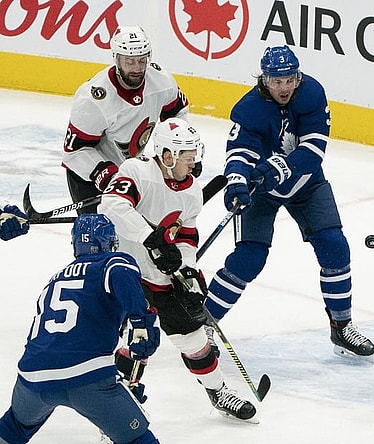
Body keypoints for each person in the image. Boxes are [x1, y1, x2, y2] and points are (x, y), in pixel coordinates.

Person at [204, 45, 374, 360]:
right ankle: (203, 326)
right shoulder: (249, 108)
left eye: (289, 79)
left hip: (306, 185)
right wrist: (238, 183)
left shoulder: (312, 94)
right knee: (249, 258)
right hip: (262, 190)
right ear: (264, 79)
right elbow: (239, 153)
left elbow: (313, 151)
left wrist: (280, 167)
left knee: (335, 246)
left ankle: (341, 326)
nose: (284, 87)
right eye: (276, 80)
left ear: (297, 77)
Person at [97, 117, 257, 421]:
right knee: (137, 342)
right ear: (167, 155)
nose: (193, 163)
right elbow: (111, 205)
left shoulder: (192, 190)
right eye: (187, 157)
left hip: (162, 279)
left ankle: (218, 392)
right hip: (125, 273)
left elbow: (186, 235)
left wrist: (188, 270)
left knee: (194, 339)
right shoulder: (136, 170)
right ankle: (118, 412)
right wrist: (151, 240)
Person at [0, 214, 161, 444]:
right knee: (137, 439)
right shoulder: (111, 263)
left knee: (14, 428)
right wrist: (141, 322)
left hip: (31, 378)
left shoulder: (55, 279)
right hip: (88, 377)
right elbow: (121, 274)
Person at [62, 25, 191, 215]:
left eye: (142, 60)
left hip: (131, 170)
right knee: (97, 238)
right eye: (129, 62)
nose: (137, 68)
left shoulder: (161, 80)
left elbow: (178, 114)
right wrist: (106, 174)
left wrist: (181, 151)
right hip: (89, 176)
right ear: (116, 59)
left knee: (138, 237)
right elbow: (74, 152)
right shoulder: (93, 101)